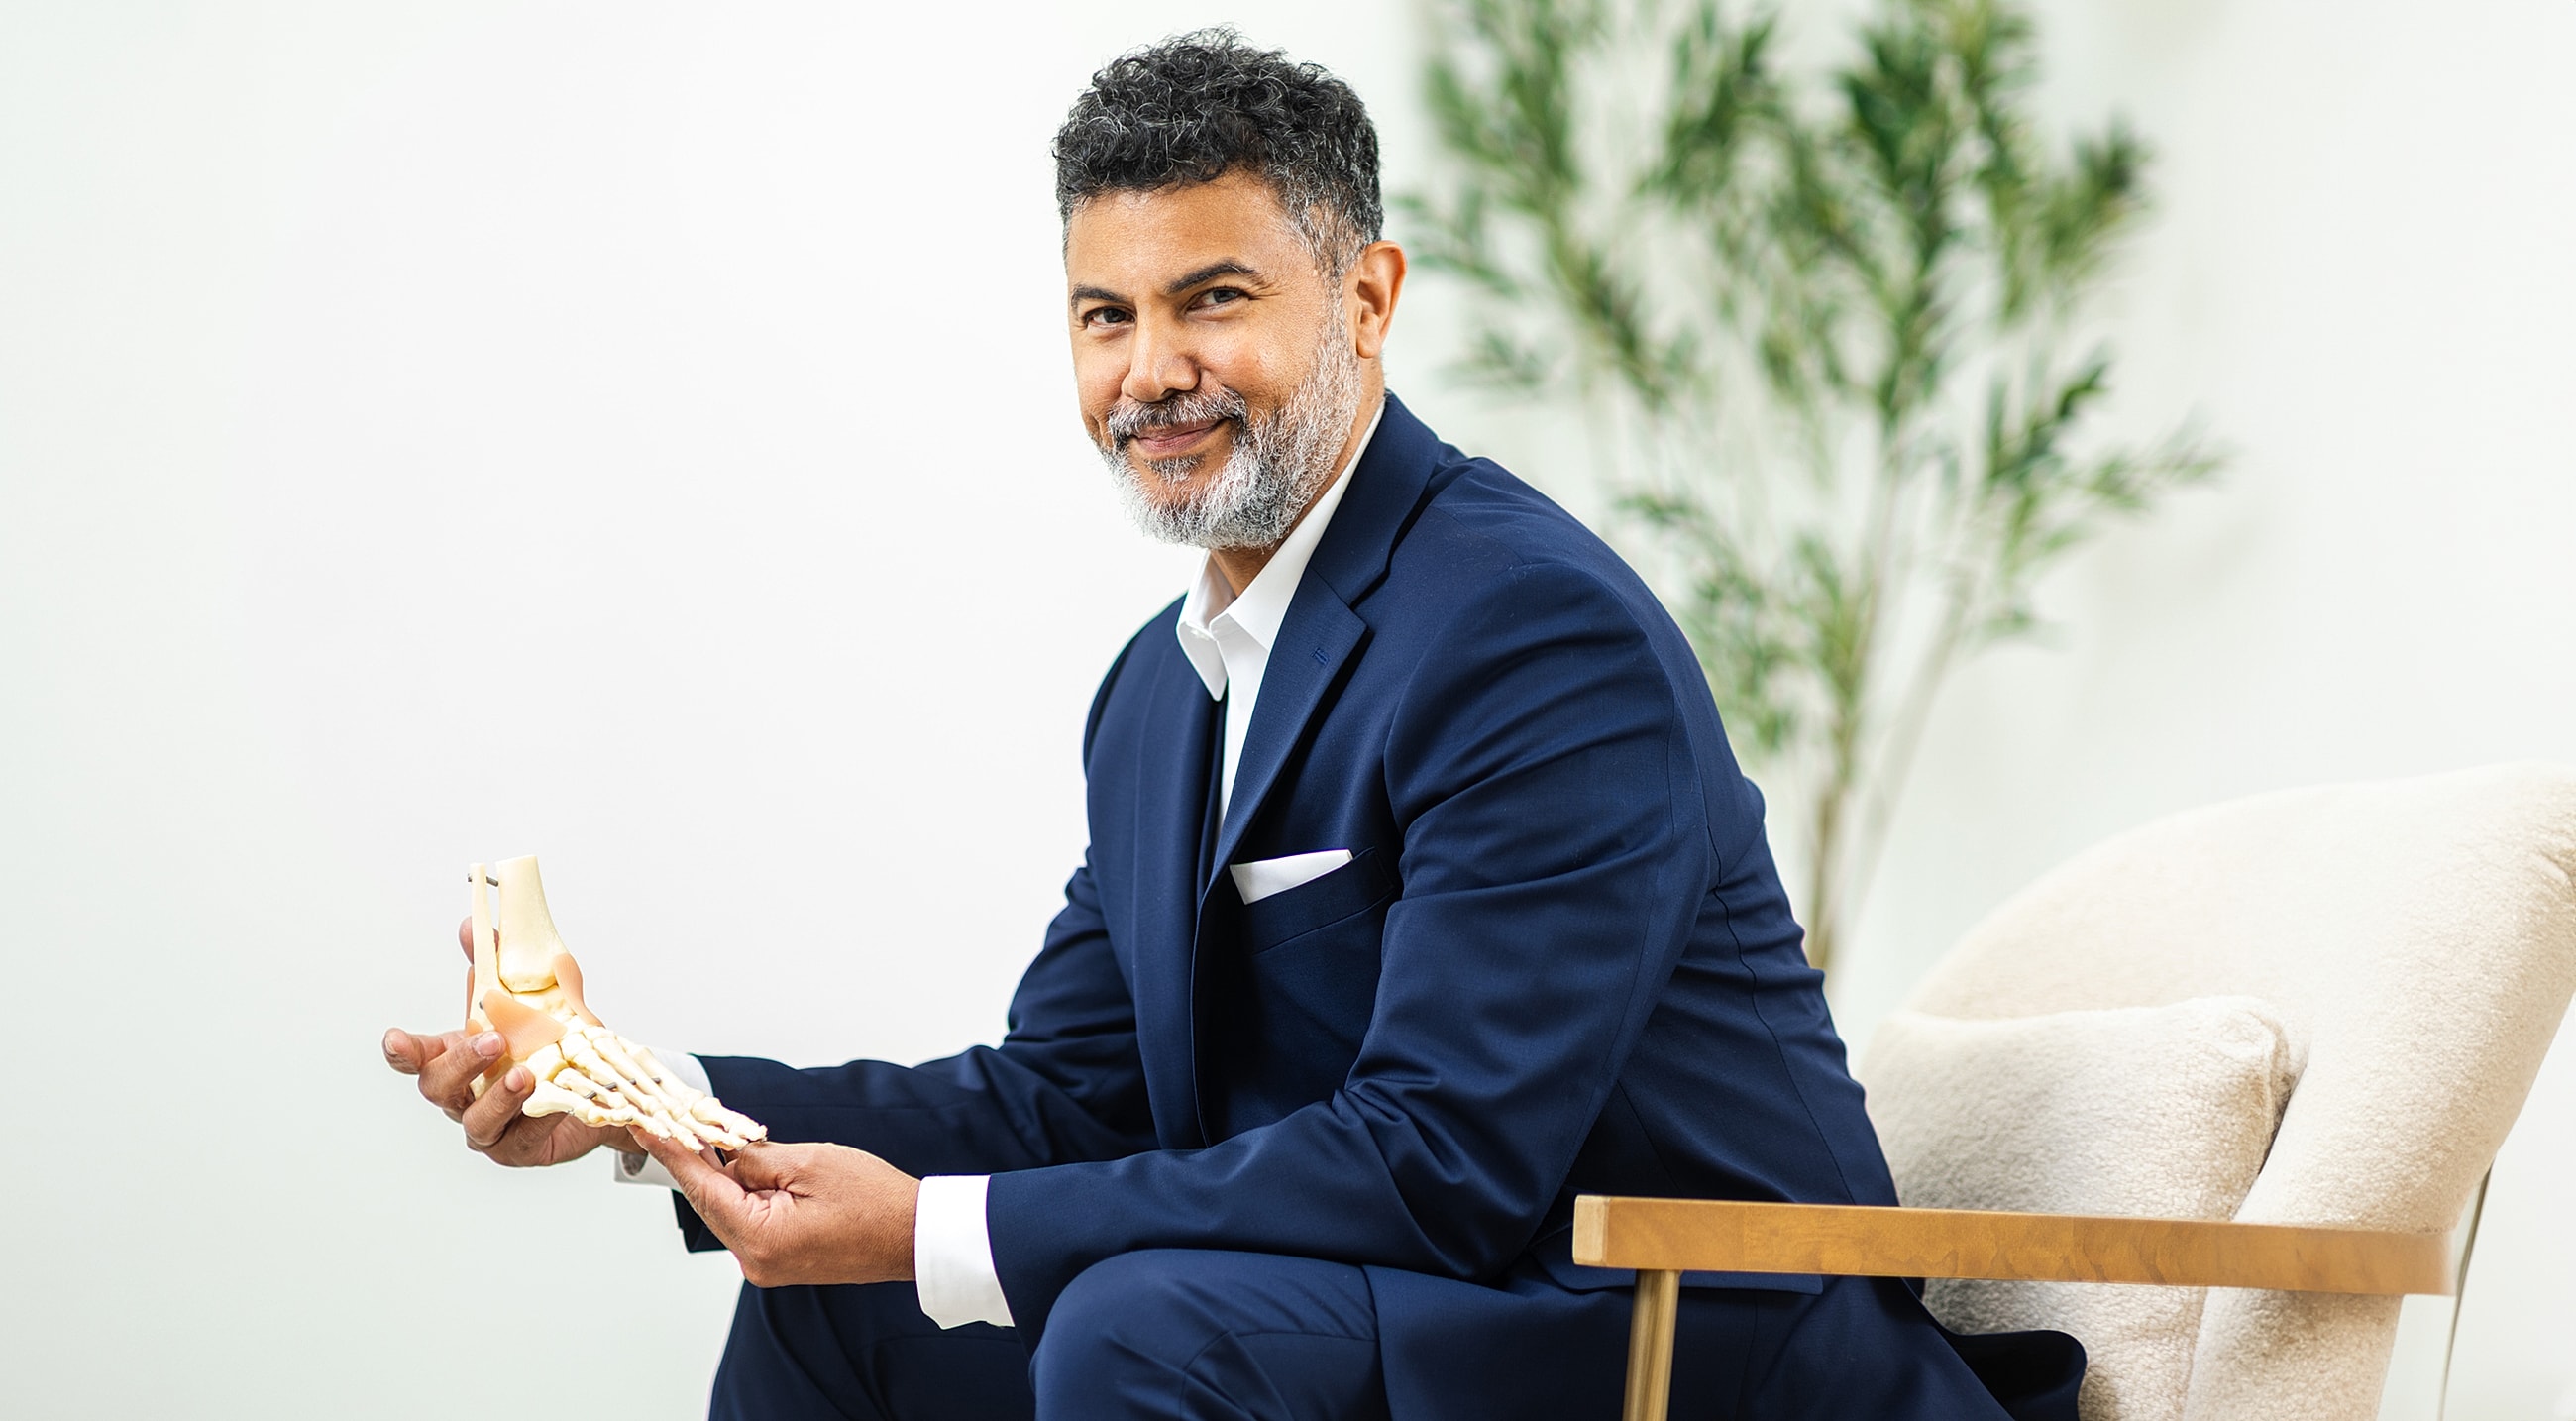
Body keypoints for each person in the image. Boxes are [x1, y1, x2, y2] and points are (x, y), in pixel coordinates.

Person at [383, 29, 2082, 1421]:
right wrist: (649, 1100)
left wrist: (944, 1230)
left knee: (1136, 1323)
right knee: (842, 1321)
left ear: (1367, 297)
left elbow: (1445, 1158)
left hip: (1668, 1330)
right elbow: (1061, 1097)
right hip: (1412, 1309)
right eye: (1104, 317)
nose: (1151, 371)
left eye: (1214, 299)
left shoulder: (1530, 630)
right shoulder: (1156, 692)